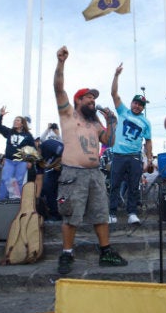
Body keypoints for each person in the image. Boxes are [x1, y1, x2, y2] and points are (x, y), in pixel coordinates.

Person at [53, 45, 127, 275]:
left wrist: (112, 122)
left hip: (95, 173)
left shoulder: (96, 123)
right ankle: (67, 253)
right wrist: (61, 62)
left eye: (94, 97)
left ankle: (105, 251)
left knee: (100, 213)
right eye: (88, 97)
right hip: (72, 173)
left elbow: (110, 141)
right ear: (78, 100)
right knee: (71, 215)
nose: (93, 100)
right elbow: (58, 88)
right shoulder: (68, 115)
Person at [108, 63, 153, 225]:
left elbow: (148, 142)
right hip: (119, 154)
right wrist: (116, 75)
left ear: (143, 107)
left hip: (135, 156)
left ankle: (132, 213)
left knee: (134, 185)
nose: (137, 106)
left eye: (141, 104)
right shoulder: (123, 111)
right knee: (115, 184)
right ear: (132, 102)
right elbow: (114, 93)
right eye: (135, 103)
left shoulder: (146, 122)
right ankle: (112, 212)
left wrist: (149, 159)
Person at [0, 109, 34, 200]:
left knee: (18, 181)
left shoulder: (28, 135)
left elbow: (32, 149)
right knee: (6, 179)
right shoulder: (9, 132)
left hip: (22, 161)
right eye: (14, 120)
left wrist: (30, 161)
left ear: (22, 123)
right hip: (9, 160)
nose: (15, 122)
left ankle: (15, 200)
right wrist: (0, 116)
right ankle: (2, 200)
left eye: (17, 120)